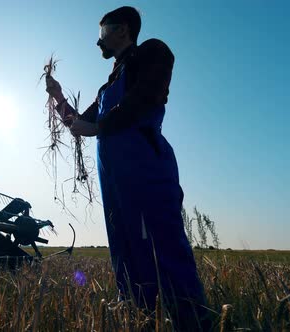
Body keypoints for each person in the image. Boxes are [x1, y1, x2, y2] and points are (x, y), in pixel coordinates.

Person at [45, 6, 211, 330]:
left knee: (162, 245)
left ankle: (191, 321)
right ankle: (140, 318)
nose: (97, 43)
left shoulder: (152, 53)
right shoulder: (107, 88)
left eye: (101, 32)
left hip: (145, 168)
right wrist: (57, 96)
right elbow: (80, 124)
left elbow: (144, 98)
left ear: (122, 30)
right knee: (125, 248)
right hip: (114, 180)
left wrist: (101, 126)